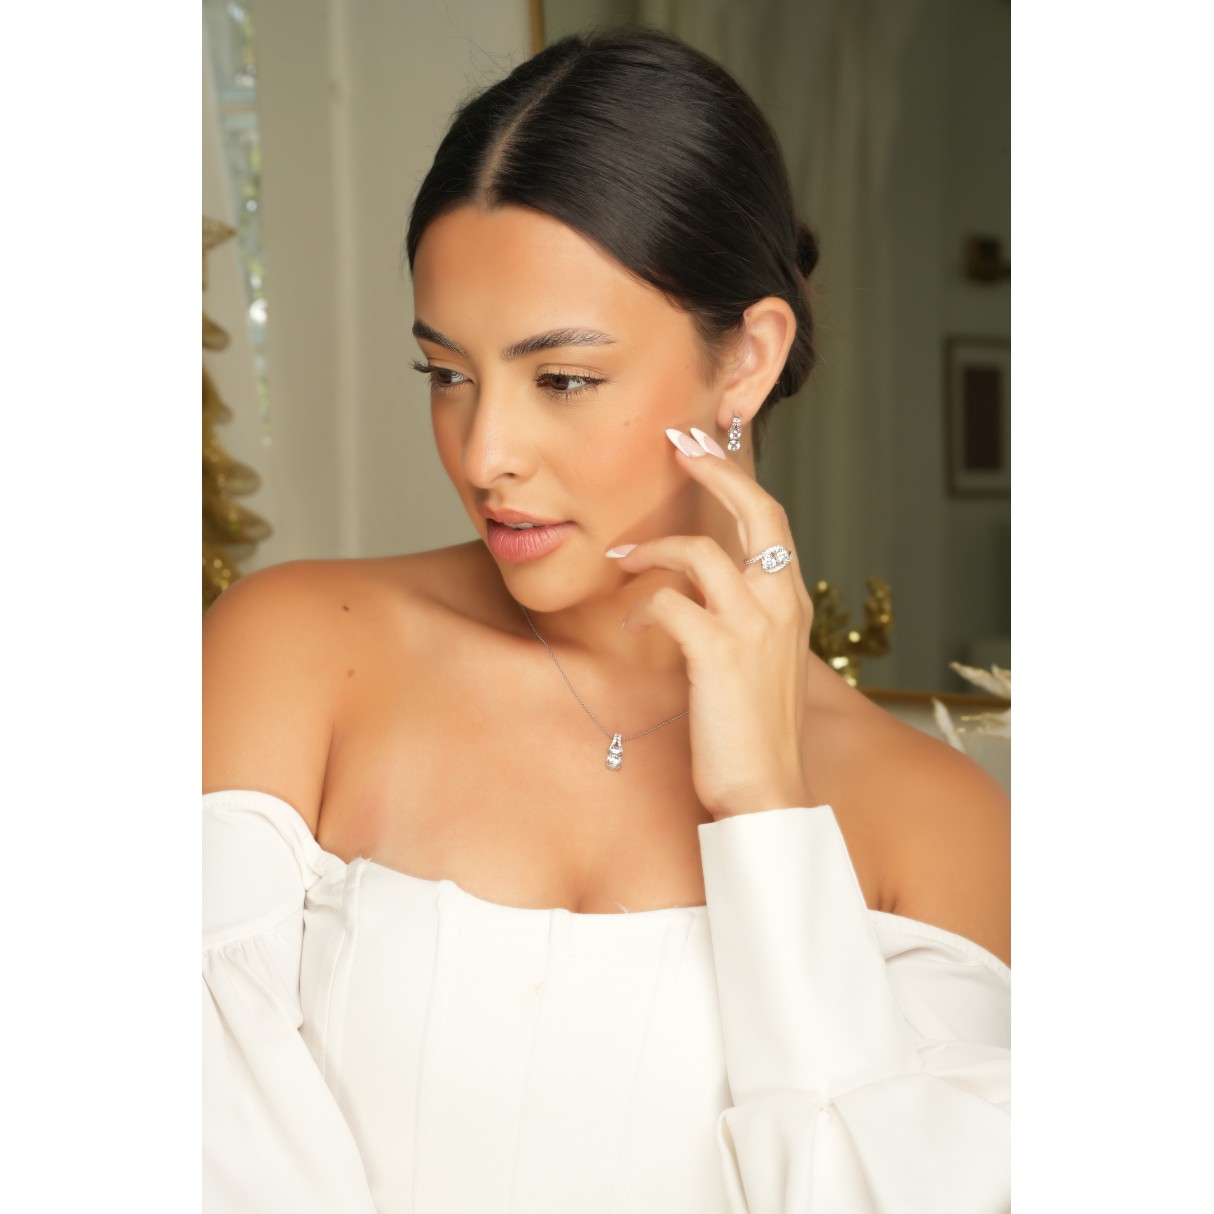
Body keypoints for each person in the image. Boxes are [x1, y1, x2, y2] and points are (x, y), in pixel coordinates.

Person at [202, 26, 1010, 1213]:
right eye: (446, 373)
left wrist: (765, 809)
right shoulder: (297, 654)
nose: (484, 452)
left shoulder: (938, 822)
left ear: (745, 360)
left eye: (563, 378)